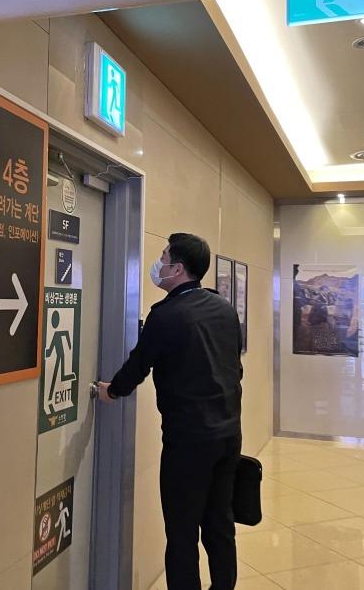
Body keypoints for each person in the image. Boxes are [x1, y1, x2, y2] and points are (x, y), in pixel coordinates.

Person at [96, 233, 243, 590]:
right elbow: (235, 368)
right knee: (220, 523)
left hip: (188, 442)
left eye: (162, 257)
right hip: (228, 435)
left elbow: (138, 365)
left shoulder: (165, 316)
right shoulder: (224, 308)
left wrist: (111, 391)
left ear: (177, 269)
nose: (157, 263)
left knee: (182, 531)